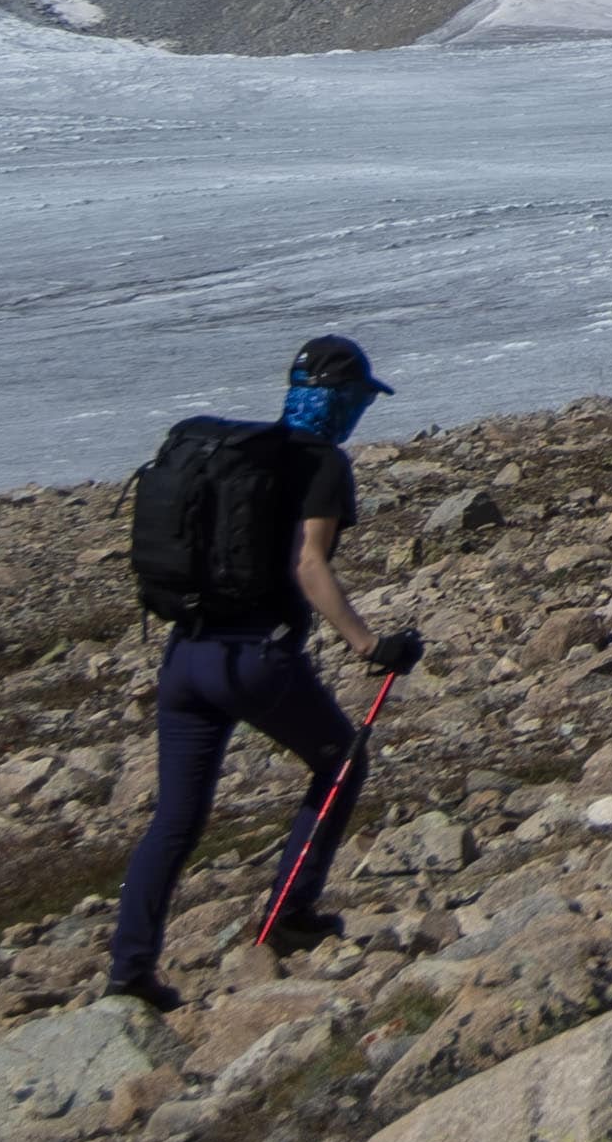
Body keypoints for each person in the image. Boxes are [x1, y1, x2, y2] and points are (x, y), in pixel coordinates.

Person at [107, 334, 424, 1009]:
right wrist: (369, 646)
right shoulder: (321, 465)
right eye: (358, 400)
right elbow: (309, 563)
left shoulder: (239, 458)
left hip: (186, 657)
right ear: (342, 402)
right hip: (255, 658)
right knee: (341, 765)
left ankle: (129, 971)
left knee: (177, 819)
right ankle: (288, 915)